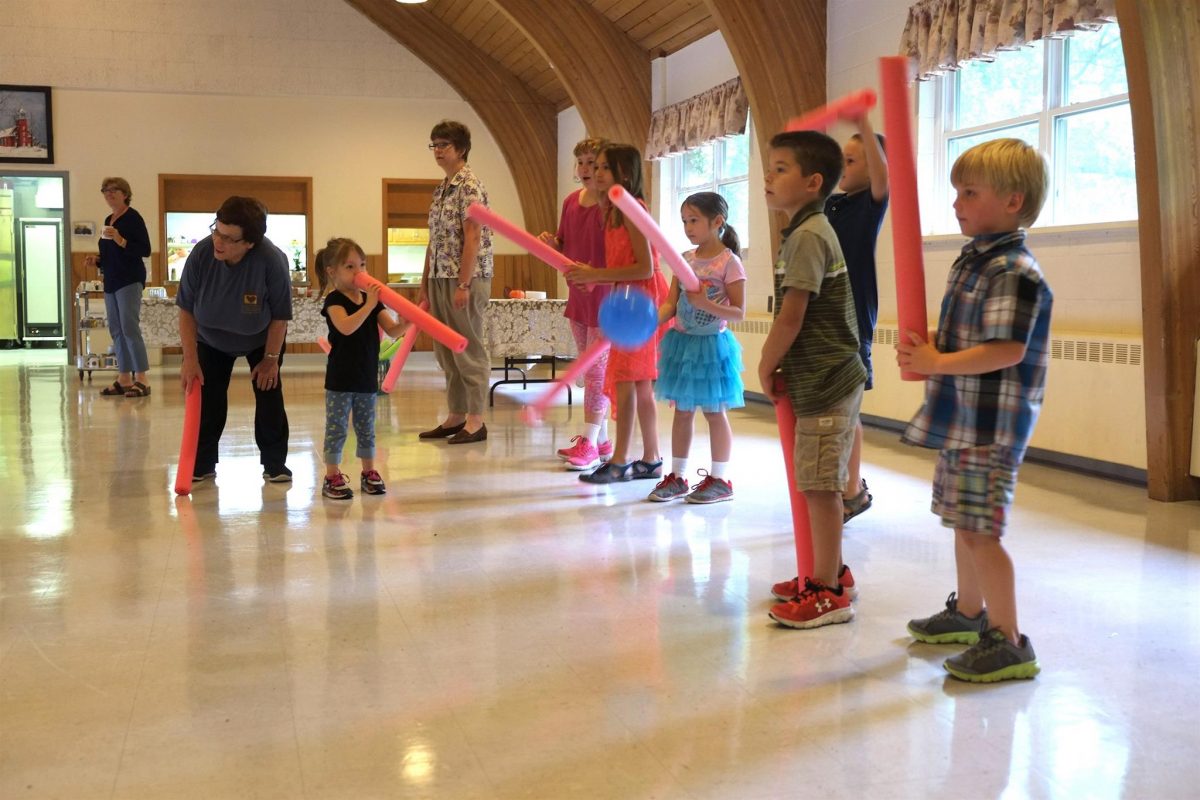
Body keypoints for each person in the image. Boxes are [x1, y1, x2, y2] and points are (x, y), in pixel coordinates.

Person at [898, 138, 1052, 682]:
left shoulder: (1013, 269)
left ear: (1012, 201)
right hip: (965, 418)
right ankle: (967, 613)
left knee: (982, 530)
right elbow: (976, 334)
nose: (958, 203)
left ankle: (1009, 641)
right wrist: (937, 343)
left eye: (969, 192)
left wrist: (937, 361)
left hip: (993, 423)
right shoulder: (975, 258)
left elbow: (1006, 349)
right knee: (964, 522)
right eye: (956, 192)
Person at [759, 130, 866, 629]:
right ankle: (830, 573)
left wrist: (764, 362)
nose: (768, 176)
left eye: (781, 168)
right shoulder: (806, 229)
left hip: (827, 379)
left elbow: (791, 315)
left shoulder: (807, 235)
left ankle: (827, 591)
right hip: (818, 378)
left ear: (813, 181)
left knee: (821, 488)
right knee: (814, 484)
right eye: (770, 166)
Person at [566, 143, 669, 485]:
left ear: (623, 174)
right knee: (638, 385)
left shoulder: (630, 209)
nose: (595, 173)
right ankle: (651, 459)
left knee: (626, 383)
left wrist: (596, 276)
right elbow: (621, 266)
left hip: (639, 305)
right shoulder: (610, 211)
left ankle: (621, 460)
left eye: (603, 168)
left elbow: (645, 268)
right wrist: (595, 278)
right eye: (594, 167)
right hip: (627, 302)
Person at [176, 196, 293, 484]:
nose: (218, 240)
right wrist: (190, 358)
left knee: (269, 396)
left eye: (228, 238)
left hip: (261, 339)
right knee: (209, 400)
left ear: (249, 243)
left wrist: (270, 360)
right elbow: (186, 309)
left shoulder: (271, 260)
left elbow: (280, 316)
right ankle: (202, 464)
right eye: (216, 231)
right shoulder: (202, 254)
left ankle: (275, 463)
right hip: (210, 339)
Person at [648, 192, 746, 504]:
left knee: (715, 413)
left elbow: (739, 312)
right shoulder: (684, 260)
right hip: (683, 343)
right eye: (684, 221)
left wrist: (705, 303)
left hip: (712, 346)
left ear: (717, 222)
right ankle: (677, 476)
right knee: (683, 413)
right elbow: (671, 304)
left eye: (694, 220)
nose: (688, 227)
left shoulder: (729, 263)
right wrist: (651, 321)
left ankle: (720, 479)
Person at [826, 116, 889, 523]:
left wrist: (865, 125)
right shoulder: (832, 204)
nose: (842, 169)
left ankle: (853, 491)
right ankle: (846, 483)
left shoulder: (869, 206)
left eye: (850, 161)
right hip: (827, 315)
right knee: (838, 408)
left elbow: (883, 179)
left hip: (854, 317)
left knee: (849, 409)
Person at [539, 137, 614, 470]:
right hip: (579, 299)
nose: (586, 170)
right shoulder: (571, 202)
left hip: (607, 300)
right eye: (581, 163)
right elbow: (565, 246)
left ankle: (589, 440)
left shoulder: (613, 204)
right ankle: (601, 440)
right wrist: (551, 243)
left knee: (597, 373)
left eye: (593, 163)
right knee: (589, 374)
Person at [417, 120, 494, 445]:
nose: (437, 150)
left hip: (466, 278)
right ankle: (456, 414)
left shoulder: (469, 186)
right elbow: (434, 240)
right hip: (439, 276)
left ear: (460, 149)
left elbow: (472, 238)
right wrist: (425, 282)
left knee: (468, 346)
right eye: (433, 144)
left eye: (443, 145)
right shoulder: (441, 187)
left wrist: (463, 284)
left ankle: (476, 421)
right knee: (446, 349)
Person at [315, 238, 408, 500]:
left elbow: (392, 330)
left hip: (366, 378)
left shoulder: (372, 301)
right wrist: (368, 305)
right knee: (337, 427)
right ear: (332, 272)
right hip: (341, 378)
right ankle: (331, 475)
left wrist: (407, 323)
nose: (360, 273)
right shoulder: (334, 300)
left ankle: (369, 472)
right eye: (351, 267)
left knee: (367, 427)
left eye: (363, 265)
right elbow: (345, 327)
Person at [83, 177, 152, 397]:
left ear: (125, 193)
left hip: (129, 279)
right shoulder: (108, 219)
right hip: (111, 280)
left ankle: (141, 378)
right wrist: (98, 260)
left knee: (129, 328)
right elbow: (111, 254)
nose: (109, 194)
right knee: (116, 329)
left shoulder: (133, 218)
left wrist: (122, 240)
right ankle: (123, 377)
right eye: (105, 190)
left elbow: (145, 249)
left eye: (114, 190)